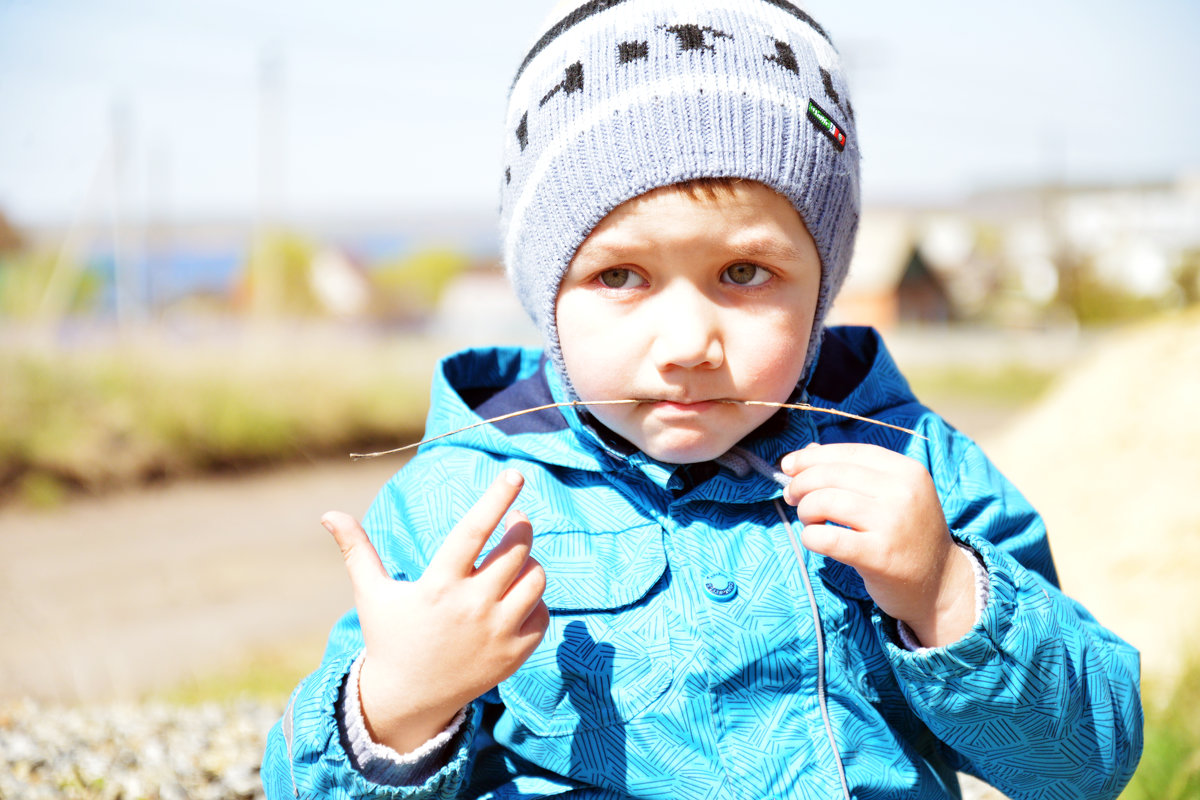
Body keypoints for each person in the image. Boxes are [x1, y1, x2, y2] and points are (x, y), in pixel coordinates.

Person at [262, 1, 1143, 797]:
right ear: (545, 295)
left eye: (745, 272)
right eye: (620, 275)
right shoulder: (463, 503)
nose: (688, 344)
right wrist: (398, 710)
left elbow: (1085, 765)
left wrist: (946, 592)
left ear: (821, 285)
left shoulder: (912, 466)